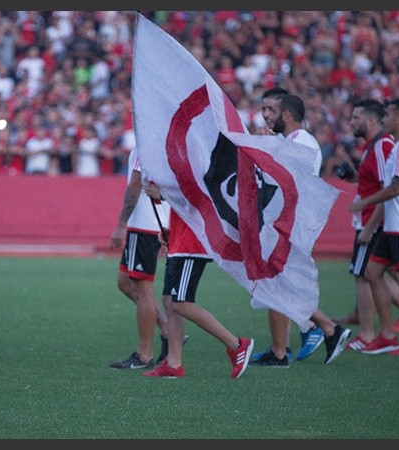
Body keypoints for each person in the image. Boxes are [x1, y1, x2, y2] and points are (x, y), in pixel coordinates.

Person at [249, 93, 350, 367]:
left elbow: (287, 178)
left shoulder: (301, 141)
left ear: (287, 115)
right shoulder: (289, 141)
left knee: (278, 282)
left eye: (274, 111)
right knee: (277, 282)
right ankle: (286, 347)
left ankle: (323, 329)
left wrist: (266, 146)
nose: (269, 116)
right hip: (283, 220)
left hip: (291, 221)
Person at [334, 99, 399, 350]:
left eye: (386, 115)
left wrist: (363, 203)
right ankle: (386, 336)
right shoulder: (396, 146)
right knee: (371, 273)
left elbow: (395, 188)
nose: (382, 118)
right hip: (392, 225)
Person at [139, 182, 254, 379]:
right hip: (180, 240)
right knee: (169, 301)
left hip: (192, 244)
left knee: (181, 303)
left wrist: (164, 194)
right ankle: (174, 363)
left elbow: (200, 194)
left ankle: (236, 344)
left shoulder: (197, 158)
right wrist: (171, 230)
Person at [108, 147, 183, 369]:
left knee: (142, 289)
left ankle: (144, 355)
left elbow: (134, 186)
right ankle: (165, 326)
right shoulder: (157, 142)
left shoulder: (147, 145)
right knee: (124, 282)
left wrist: (121, 224)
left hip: (144, 227)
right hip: (147, 225)